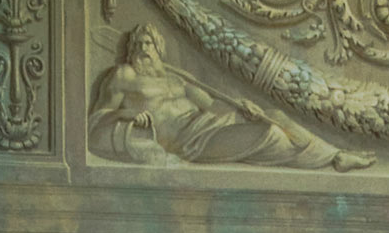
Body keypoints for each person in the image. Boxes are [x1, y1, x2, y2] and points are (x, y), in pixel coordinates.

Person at [89, 23, 371, 170]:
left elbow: (211, 104)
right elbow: (94, 122)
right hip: (188, 143)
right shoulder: (123, 76)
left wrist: (244, 108)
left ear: (159, 49)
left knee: (275, 116)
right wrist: (125, 115)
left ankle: (337, 155)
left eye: (149, 42)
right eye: (138, 43)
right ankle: (325, 159)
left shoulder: (175, 79)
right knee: (270, 133)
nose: (143, 48)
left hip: (205, 124)